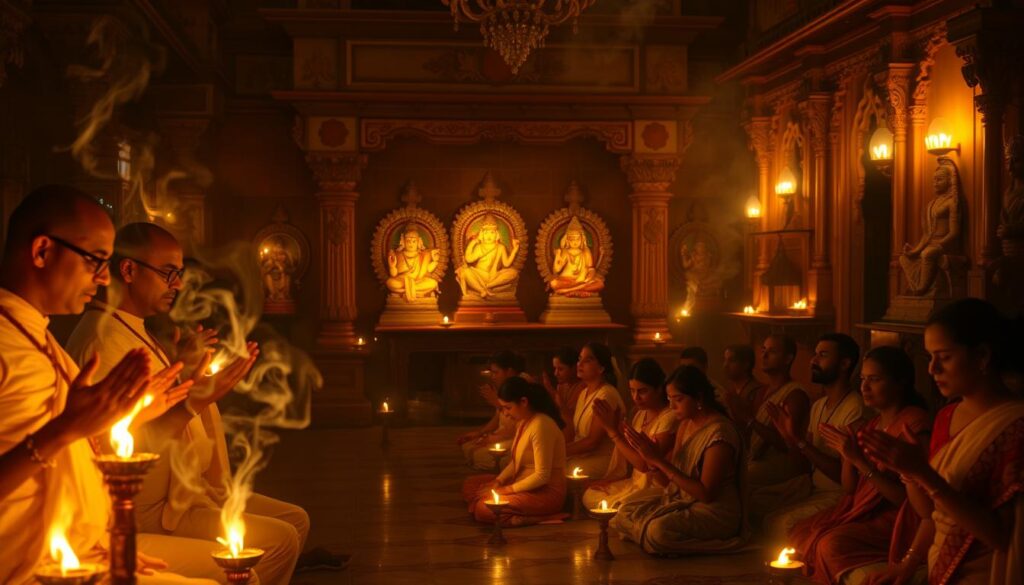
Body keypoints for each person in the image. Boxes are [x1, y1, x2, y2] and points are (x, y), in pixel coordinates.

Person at [65, 222, 312, 584]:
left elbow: (154, 407)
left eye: (179, 274)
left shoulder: (131, 328)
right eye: (168, 273)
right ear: (129, 270)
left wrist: (188, 376)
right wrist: (195, 398)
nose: (178, 285)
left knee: (294, 521)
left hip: (183, 486)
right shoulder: (103, 342)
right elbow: (124, 443)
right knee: (278, 542)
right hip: (152, 507)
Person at [0, 185, 222, 584]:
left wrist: (128, 415)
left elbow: (68, 446)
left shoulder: (38, 336)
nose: (104, 279)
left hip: (85, 550)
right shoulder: (8, 341)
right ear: (42, 252)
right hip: (35, 570)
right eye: (94, 261)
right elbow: (52, 439)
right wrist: (64, 429)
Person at [861, 299, 1024, 585]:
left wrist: (924, 474)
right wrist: (907, 565)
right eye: (929, 357)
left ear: (983, 356)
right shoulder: (946, 416)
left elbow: (1001, 536)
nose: (932, 369)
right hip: (940, 565)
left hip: (986, 571)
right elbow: (930, 514)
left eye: (944, 357)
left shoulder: (1016, 427)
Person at [791, 346, 930, 585]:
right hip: (867, 511)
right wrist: (846, 452)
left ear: (901, 382)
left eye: (874, 380)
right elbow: (850, 489)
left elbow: (907, 501)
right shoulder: (873, 424)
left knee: (829, 543)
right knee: (802, 531)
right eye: (863, 379)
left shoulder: (914, 424)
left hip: (898, 516)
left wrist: (859, 461)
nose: (864, 387)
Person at [612, 366, 747, 555]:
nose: (672, 406)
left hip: (712, 511)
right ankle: (648, 537)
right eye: (669, 400)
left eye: (678, 399)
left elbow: (706, 494)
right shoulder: (685, 424)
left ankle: (724, 544)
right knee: (623, 512)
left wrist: (658, 460)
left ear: (699, 398)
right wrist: (651, 461)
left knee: (657, 532)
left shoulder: (719, 434)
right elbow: (668, 483)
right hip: (681, 500)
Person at [763, 333, 869, 539]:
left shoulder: (855, 409)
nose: (813, 360)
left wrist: (800, 441)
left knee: (782, 525)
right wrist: (790, 438)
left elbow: (844, 476)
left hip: (838, 495)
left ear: (844, 364)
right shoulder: (819, 405)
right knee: (753, 502)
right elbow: (804, 464)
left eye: (823, 355)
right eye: (815, 354)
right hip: (811, 486)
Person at [462, 377, 568, 526]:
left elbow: (542, 476)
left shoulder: (541, 425)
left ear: (524, 402)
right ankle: (504, 512)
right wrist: (497, 481)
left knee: (483, 508)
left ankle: (535, 518)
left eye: (508, 407)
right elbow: (516, 462)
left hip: (545, 493)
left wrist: (505, 490)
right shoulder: (524, 421)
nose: (505, 413)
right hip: (521, 484)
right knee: (471, 484)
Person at [729, 334, 810, 520]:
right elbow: (750, 434)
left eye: (772, 351)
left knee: (733, 480)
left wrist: (749, 419)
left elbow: (787, 442)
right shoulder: (762, 392)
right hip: (757, 459)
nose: (764, 356)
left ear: (788, 358)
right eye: (763, 350)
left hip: (782, 464)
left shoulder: (795, 394)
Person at [583, 358, 677, 509]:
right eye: (632, 391)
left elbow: (644, 464)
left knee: (622, 506)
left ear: (659, 388)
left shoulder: (670, 418)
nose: (635, 397)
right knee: (590, 495)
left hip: (657, 487)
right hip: (635, 483)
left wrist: (613, 432)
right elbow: (628, 457)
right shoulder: (640, 414)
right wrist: (611, 479)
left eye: (642, 391)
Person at [566, 342, 626, 479]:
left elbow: (593, 442)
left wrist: (558, 451)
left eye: (588, 360)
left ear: (601, 368)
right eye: (579, 359)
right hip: (583, 456)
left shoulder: (606, 395)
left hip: (603, 459)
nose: (580, 364)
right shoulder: (583, 393)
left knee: (557, 469)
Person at [457, 351, 525, 470]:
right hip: (504, 435)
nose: (493, 377)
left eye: (496, 372)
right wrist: (480, 433)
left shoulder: (523, 384)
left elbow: (521, 422)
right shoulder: (505, 386)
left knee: (479, 454)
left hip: (517, 437)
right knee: (468, 446)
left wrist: (498, 403)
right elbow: (497, 418)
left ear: (509, 371)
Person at [541, 347, 585, 441]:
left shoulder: (583, 387)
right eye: (555, 369)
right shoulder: (561, 386)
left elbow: (575, 420)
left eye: (560, 369)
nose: (555, 373)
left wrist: (553, 393)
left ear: (574, 368)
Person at [719, 344, 765, 423]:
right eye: (725, 360)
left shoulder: (758, 392)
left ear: (746, 364)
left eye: (731, 361)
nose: (725, 365)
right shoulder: (729, 391)